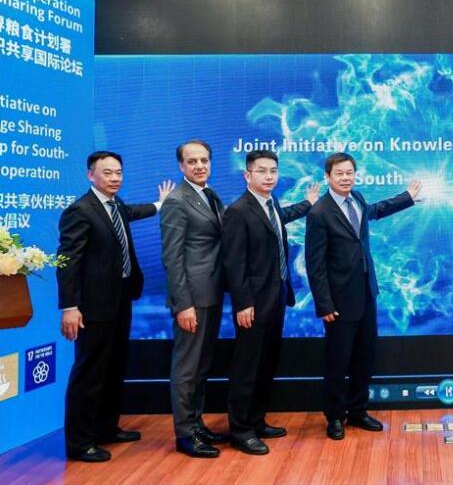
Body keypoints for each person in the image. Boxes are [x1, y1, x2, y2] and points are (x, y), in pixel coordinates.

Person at [58, 151, 173, 462]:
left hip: (120, 297)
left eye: (118, 172)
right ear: (90, 175)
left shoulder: (115, 204)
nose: (114, 178)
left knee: (113, 367)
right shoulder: (80, 210)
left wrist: (160, 204)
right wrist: (70, 306)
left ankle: (106, 428)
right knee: (90, 372)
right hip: (92, 306)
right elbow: (68, 262)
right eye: (107, 173)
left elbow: (132, 212)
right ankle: (80, 442)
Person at [305, 152, 420, 441]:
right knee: (337, 362)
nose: (345, 178)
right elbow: (314, 265)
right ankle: (334, 416)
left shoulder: (356, 198)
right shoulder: (319, 213)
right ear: (328, 177)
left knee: (364, 358)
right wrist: (324, 303)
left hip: (366, 293)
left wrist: (406, 197)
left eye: (349, 173)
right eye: (339, 174)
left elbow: (375, 211)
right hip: (338, 302)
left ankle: (358, 410)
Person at [222, 149, 319, 455]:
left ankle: (257, 420)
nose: (269, 176)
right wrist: (243, 303)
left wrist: (307, 204)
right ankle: (241, 430)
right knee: (247, 367)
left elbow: (281, 218)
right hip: (252, 303)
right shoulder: (238, 211)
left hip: (276, 298)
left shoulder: (271, 203)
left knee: (266, 363)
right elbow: (234, 263)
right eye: (261, 171)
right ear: (247, 175)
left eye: (273, 171)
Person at [160, 140, 227, 458]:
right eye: (192, 161)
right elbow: (172, 258)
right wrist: (183, 304)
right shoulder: (176, 201)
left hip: (212, 292)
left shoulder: (210, 194)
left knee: (201, 367)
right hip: (192, 298)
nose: (200, 166)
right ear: (181, 166)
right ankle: (185, 435)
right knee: (186, 368)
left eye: (204, 160)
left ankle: (197, 424)